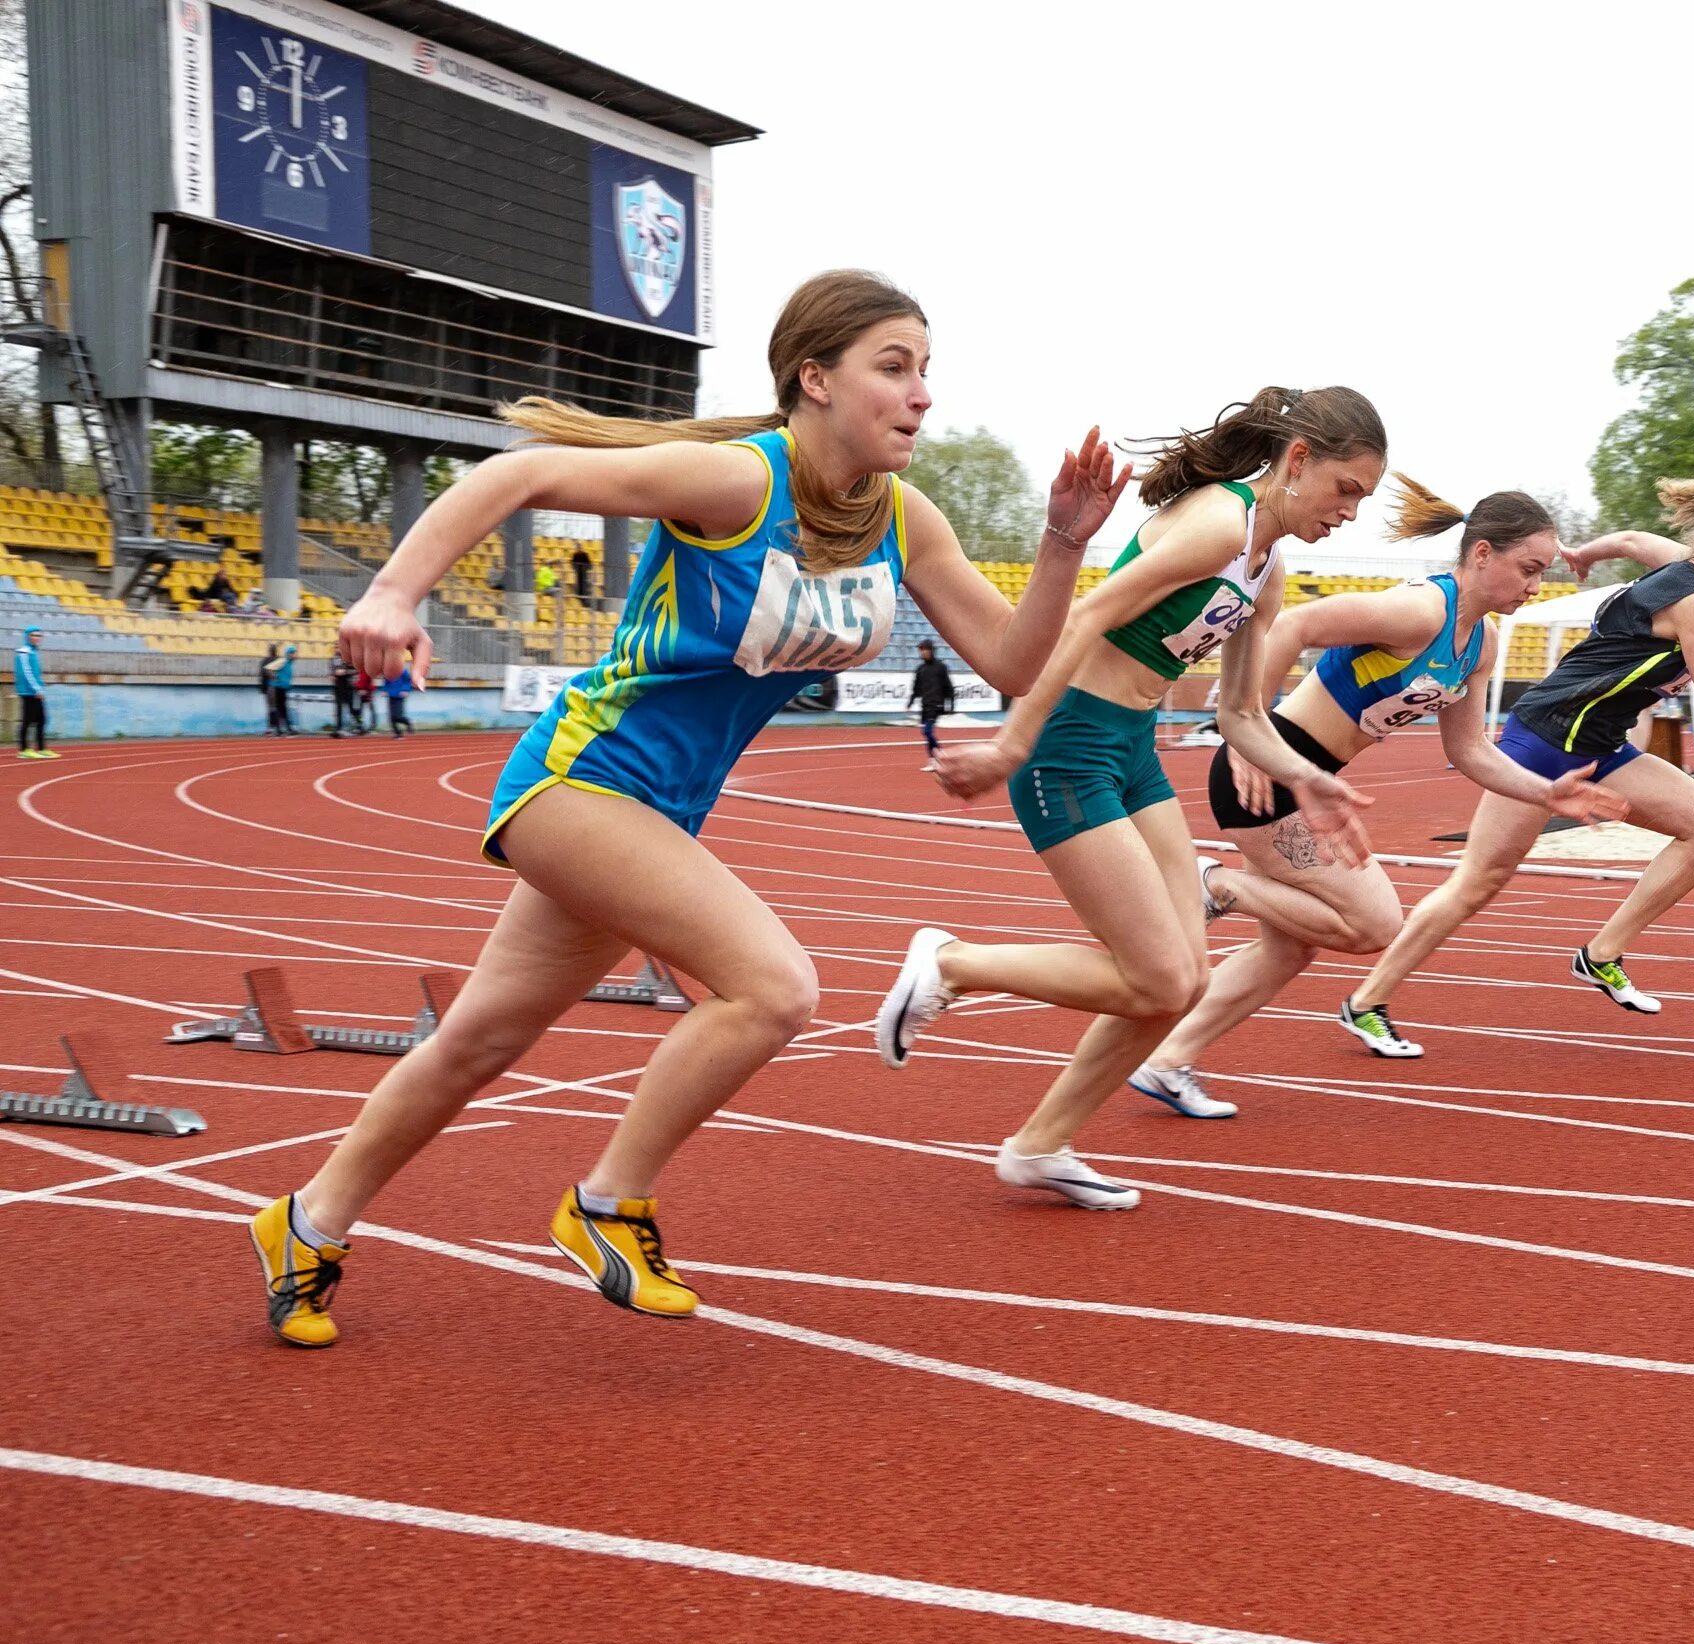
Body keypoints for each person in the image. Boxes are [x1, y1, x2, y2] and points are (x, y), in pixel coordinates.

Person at [247, 269, 1123, 1347]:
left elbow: (1010, 658)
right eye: (894, 367)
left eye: (925, 369)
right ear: (815, 379)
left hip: (661, 810)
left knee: (476, 1040)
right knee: (773, 986)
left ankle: (303, 1222)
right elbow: (516, 476)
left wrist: (1062, 545)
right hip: (582, 778)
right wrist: (390, 592)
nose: (922, 394)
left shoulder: (903, 517)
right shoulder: (733, 483)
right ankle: (608, 1203)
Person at [876, 385, 1385, 1209]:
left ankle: (1040, 1146)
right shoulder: (1219, 523)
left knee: (1177, 980)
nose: (1351, 512)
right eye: (1347, 489)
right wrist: (1012, 743)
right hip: (1068, 743)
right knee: (1154, 974)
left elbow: (1241, 714)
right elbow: (1088, 617)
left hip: (1133, 750)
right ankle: (952, 963)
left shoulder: (1268, 568)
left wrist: (1306, 777)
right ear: (1298, 462)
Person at [1126, 476, 1628, 1119]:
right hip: (1274, 771)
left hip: (1310, 780)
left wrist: (1547, 793)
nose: (1535, 587)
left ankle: (1168, 1060)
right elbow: (1294, 625)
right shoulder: (1421, 610)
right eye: (1528, 569)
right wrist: (1246, 731)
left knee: (1289, 950)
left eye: (1543, 574)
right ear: (1481, 555)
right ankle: (1218, 885)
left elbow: (1468, 751)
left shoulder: (1480, 644)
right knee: (1374, 924)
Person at [1338, 477, 1694, 1053]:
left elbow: (1637, 540)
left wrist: (1587, 553)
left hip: (1603, 745)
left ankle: (1601, 954)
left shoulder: (1680, 563)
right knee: (1478, 881)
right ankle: (1366, 1002)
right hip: (1545, 739)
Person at [910, 639, 953, 771]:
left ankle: (938, 756)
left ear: (931, 650)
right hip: (925, 705)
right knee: (926, 733)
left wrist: (950, 704)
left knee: (927, 731)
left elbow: (948, 686)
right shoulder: (920, 669)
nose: (923, 652)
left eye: (925, 650)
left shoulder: (940, 667)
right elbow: (916, 688)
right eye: (921, 650)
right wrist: (910, 701)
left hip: (936, 705)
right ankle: (935, 759)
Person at [14, 627, 56, 759]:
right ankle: (24, 749)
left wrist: (41, 686)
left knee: (42, 720)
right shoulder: (24, 652)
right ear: (27, 636)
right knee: (28, 720)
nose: (36, 638)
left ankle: (42, 748)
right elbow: (26, 673)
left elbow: (36, 673)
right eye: (33, 635)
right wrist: (36, 689)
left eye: (39, 636)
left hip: (36, 691)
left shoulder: (34, 652)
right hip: (29, 692)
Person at [260, 642, 298, 735]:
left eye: (295, 653)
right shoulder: (282, 661)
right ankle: (278, 729)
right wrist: (274, 677)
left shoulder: (289, 663)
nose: (295, 655)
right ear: (288, 654)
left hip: (282, 688)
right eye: (293, 653)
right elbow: (268, 669)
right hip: (275, 688)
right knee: (277, 708)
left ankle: (287, 728)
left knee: (283, 709)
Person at [326, 646, 364, 736]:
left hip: (348, 686)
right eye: (335, 647)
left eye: (339, 647)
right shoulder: (332, 660)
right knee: (338, 708)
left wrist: (345, 671)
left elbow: (356, 670)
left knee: (352, 709)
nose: (337, 649)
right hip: (338, 687)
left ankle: (360, 723)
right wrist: (331, 675)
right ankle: (338, 728)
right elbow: (331, 672)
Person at [382, 665, 414, 737]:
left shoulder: (403, 671)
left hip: (400, 695)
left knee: (398, 716)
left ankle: (408, 722)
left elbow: (407, 681)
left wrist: (405, 690)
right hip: (391, 694)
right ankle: (397, 733)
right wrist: (385, 690)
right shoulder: (387, 671)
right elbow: (386, 682)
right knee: (391, 716)